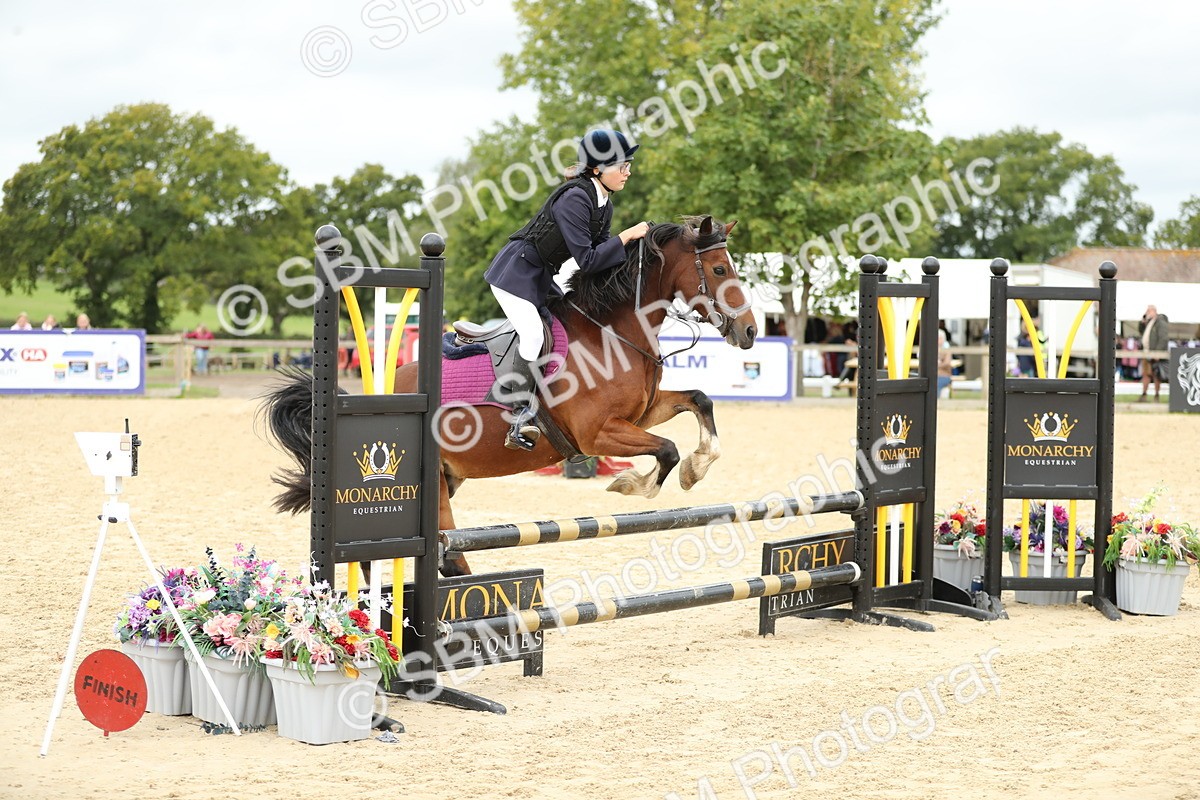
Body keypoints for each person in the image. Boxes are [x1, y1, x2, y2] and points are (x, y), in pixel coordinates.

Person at [483, 128, 649, 450]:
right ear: (598, 168)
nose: (628, 172)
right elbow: (587, 260)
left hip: (543, 279)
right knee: (532, 334)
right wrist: (627, 236)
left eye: (629, 165)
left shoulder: (603, 205)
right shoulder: (575, 198)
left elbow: (604, 260)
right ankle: (519, 416)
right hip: (514, 276)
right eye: (622, 166)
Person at [1138, 304, 1170, 402]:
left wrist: (1158, 352)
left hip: (1155, 353)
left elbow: (1163, 338)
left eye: (1149, 311)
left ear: (1154, 311)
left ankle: (1156, 396)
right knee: (1146, 374)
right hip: (1146, 352)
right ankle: (1144, 395)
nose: (1147, 313)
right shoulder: (1149, 323)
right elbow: (1141, 331)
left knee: (1157, 375)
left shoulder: (1160, 322)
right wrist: (1142, 322)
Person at [937, 330, 953, 397]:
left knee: (936, 384)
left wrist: (937, 365)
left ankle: (936, 403)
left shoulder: (946, 349)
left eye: (939, 338)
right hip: (933, 375)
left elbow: (947, 363)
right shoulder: (931, 348)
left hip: (944, 375)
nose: (937, 340)